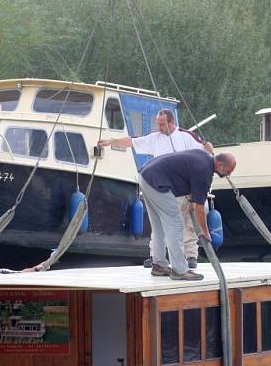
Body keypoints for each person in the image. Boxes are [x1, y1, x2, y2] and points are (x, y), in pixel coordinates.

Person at [98, 109, 212, 269]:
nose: (159, 128)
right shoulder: (154, 138)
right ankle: (156, 256)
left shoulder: (185, 136)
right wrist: (111, 142)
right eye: (158, 124)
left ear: (172, 123)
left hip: (185, 187)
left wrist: (208, 148)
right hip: (166, 187)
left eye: (162, 124)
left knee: (187, 223)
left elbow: (205, 151)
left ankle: (191, 255)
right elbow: (132, 141)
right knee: (161, 222)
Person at [138, 150, 236, 281]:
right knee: (176, 225)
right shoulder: (204, 171)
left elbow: (188, 176)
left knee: (159, 225)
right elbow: (200, 209)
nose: (229, 174)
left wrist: (192, 201)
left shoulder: (203, 158)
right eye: (228, 170)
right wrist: (205, 232)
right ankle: (179, 270)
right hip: (157, 183)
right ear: (219, 163)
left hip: (145, 177)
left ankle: (159, 265)